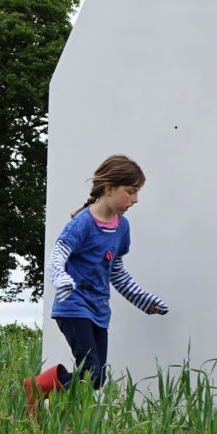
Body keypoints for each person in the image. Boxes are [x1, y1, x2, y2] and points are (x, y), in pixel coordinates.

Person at [25, 154, 170, 413]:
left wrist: (144, 301)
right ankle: (48, 403)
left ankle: (43, 391)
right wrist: (62, 280)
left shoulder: (122, 228)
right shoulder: (82, 223)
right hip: (73, 307)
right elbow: (57, 256)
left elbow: (116, 271)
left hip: (100, 311)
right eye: (131, 192)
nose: (135, 199)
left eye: (137, 193)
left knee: (96, 379)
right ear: (108, 188)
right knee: (90, 372)